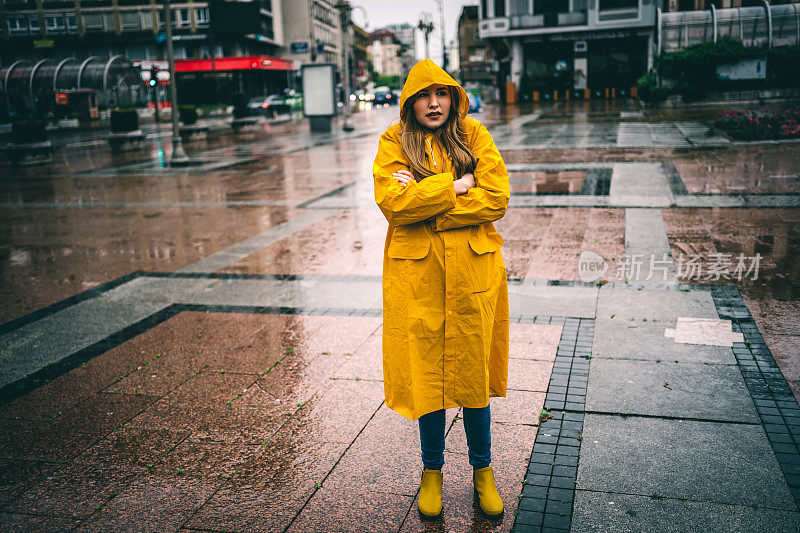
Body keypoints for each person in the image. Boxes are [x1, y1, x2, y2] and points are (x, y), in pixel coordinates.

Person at [372, 58, 511, 520]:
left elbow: (497, 198)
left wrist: (430, 201)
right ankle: (431, 472)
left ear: (454, 97)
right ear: (410, 102)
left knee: (472, 376)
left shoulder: (475, 135)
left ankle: (482, 471)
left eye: (443, 94)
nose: (435, 104)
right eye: (425, 96)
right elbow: (393, 203)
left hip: (474, 272)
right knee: (427, 373)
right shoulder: (393, 142)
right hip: (419, 277)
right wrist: (457, 184)